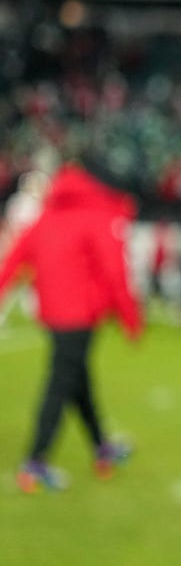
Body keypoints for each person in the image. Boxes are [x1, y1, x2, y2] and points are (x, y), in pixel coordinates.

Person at [0, 161, 143, 493]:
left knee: (77, 380)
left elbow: (14, 260)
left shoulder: (45, 218)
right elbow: (114, 271)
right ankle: (35, 462)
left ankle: (101, 448)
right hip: (80, 318)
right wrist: (129, 317)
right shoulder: (98, 217)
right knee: (60, 385)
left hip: (53, 316)